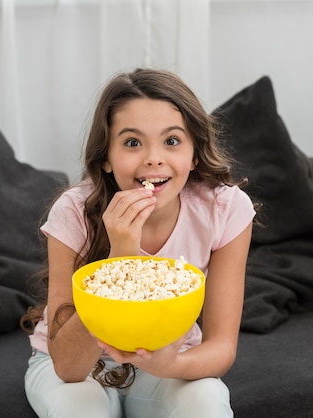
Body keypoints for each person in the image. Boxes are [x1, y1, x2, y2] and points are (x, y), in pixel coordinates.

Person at [21, 68, 256, 418]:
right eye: (132, 142)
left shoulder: (223, 209)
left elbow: (222, 348)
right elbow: (68, 368)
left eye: (172, 141)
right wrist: (121, 260)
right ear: (106, 159)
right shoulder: (74, 211)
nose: (153, 158)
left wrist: (169, 364)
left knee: (205, 402)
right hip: (78, 372)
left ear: (194, 155)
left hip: (168, 362)